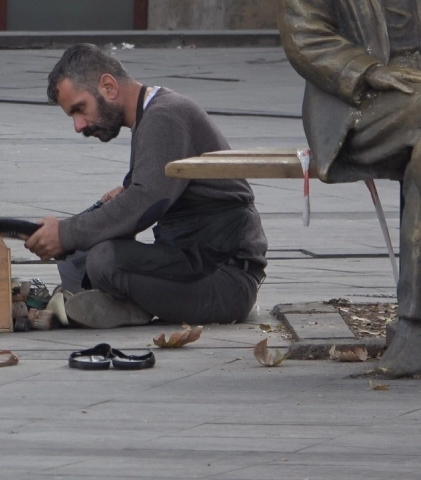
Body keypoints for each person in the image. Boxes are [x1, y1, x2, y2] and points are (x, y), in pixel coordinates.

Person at [24, 43, 268, 329]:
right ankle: (117, 304)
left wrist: (65, 233)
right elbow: (147, 194)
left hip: (225, 281)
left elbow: (146, 202)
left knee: (103, 260)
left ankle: (126, 306)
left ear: (108, 86)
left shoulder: (165, 116)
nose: (79, 125)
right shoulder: (153, 114)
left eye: (80, 109)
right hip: (195, 266)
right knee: (82, 255)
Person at [279, 0, 421, 378]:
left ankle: (414, 327)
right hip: (359, 103)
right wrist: (368, 70)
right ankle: (415, 327)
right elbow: (304, 32)